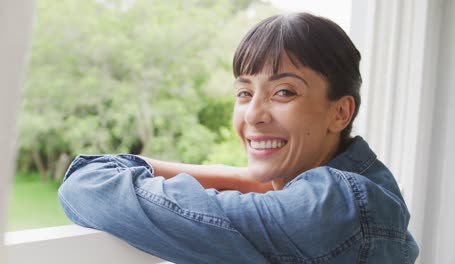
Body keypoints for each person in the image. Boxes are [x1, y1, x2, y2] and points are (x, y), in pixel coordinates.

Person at [58, 12, 419, 263]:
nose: (254, 114)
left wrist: (239, 178)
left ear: (340, 112)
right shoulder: (369, 186)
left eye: (284, 92)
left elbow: (88, 186)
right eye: (244, 93)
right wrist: (256, 182)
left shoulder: (332, 208)